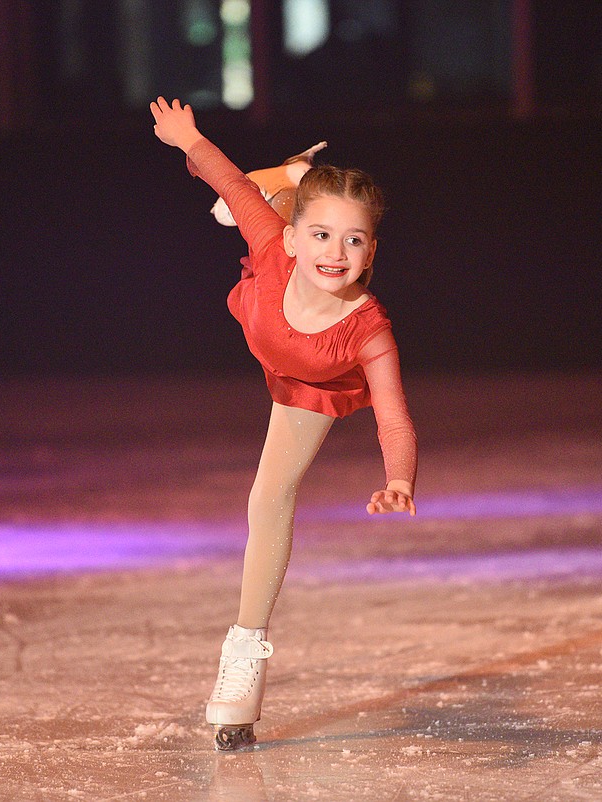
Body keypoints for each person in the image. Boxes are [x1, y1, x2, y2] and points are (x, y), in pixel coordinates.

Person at [149, 96, 418, 750]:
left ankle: (244, 649)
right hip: (268, 305)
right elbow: (229, 180)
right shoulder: (276, 246)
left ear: (373, 252)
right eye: (323, 236)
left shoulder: (369, 329)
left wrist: (399, 480)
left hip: (311, 380)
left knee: (268, 497)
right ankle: (294, 179)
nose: (338, 253)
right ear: (298, 241)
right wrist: (186, 136)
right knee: (236, 204)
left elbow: (394, 417)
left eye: (355, 240)